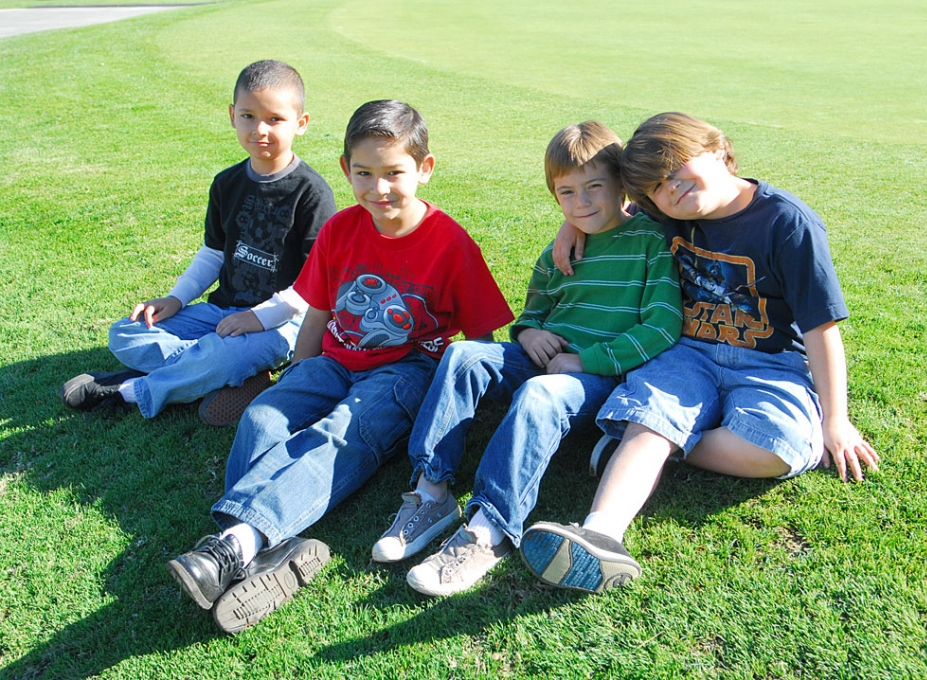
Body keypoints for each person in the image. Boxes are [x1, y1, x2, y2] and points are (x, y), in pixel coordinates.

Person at [165, 100, 514, 632]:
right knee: (262, 418)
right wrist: (299, 375)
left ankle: (231, 547)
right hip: (333, 360)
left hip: (404, 376)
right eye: (363, 173)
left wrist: (468, 416)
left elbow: (483, 337)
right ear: (346, 168)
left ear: (424, 169)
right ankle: (264, 552)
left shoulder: (450, 242)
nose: (379, 189)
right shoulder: (340, 230)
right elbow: (320, 309)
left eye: (394, 173)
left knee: (337, 432)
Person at [521, 112, 880, 595]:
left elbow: (821, 328)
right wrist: (570, 228)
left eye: (677, 170)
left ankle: (635, 446)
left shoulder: (786, 222)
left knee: (782, 447)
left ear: (717, 149)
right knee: (653, 413)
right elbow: (605, 213)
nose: (672, 189)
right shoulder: (667, 212)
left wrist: (837, 421)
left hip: (768, 363)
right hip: (688, 349)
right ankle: (602, 533)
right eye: (658, 187)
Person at [370, 121, 682, 597]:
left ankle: (488, 529)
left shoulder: (650, 242)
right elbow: (535, 309)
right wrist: (530, 331)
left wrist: (587, 360)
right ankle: (431, 490)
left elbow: (661, 326)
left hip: (599, 377)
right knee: (463, 356)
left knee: (541, 392)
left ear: (620, 184)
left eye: (595, 187)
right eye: (567, 193)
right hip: (545, 359)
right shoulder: (561, 248)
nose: (581, 203)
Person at [60, 60, 336, 426]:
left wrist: (259, 317)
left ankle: (130, 390)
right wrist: (176, 299)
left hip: (283, 324)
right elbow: (213, 252)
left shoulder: (312, 193)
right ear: (232, 116)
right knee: (125, 332)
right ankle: (221, 373)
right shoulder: (227, 183)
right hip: (220, 314)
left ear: (300, 124)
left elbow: (316, 283)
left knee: (227, 357)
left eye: (275, 119)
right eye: (249, 116)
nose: (260, 129)